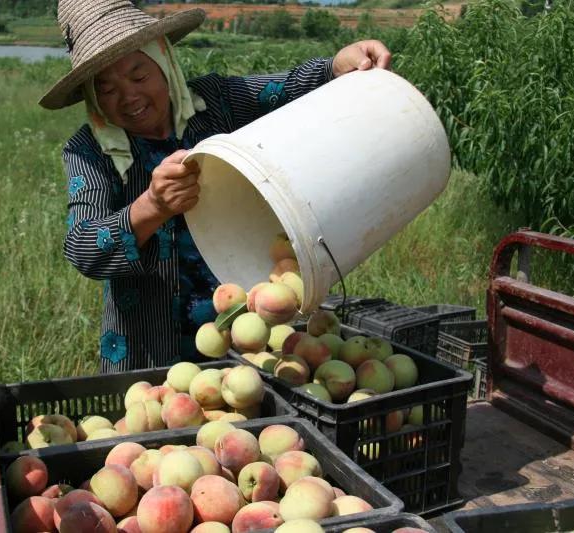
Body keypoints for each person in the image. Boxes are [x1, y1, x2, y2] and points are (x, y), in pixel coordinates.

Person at [39, 0, 391, 373]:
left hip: (248, 338)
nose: (129, 97)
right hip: (148, 353)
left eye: (139, 77)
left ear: (165, 63)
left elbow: (286, 88)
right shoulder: (90, 150)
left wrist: (335, 67)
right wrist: (151, 207)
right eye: (106, 89)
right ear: (92, 97)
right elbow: (82, 248)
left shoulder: (217, 102)